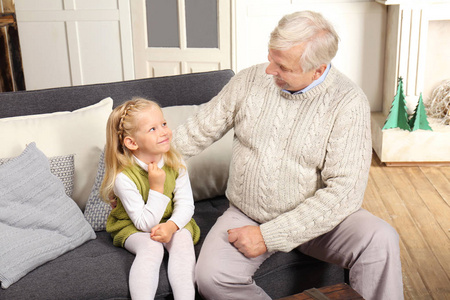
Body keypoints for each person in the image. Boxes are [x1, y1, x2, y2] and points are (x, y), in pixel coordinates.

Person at [172, 10, 403, 300]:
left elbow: (345, 193)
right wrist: (135, 165)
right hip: (247, 213)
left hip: (320, 221)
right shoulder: (249, 81)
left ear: (318, 70)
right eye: (270, 58)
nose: (269, 70)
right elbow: (196, 130)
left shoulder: (348, 102)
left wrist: (269, 237)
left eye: (281, 66)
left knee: (381, 239)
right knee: (211, 277)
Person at [100, 98, 200, 300]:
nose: (164, 131)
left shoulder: (175, 161)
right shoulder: (124, 178)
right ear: (132, 142)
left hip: (171, 219)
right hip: (134, 226)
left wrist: (172, 226)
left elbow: (186, 204)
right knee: (151, 247)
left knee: (183, 242)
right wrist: (156, 187)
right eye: (152, 129)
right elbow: (144, 224)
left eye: (163, 124)